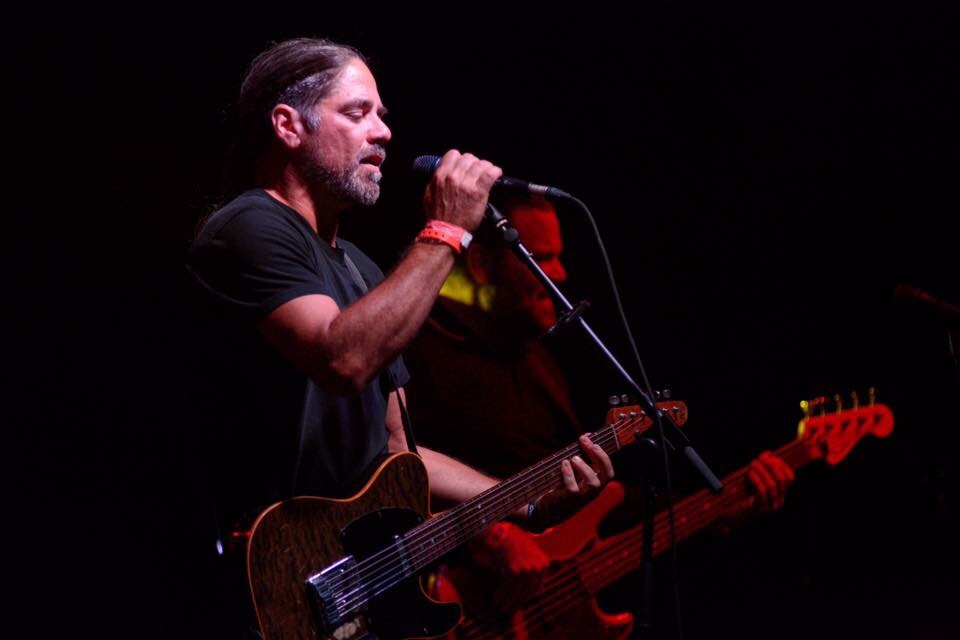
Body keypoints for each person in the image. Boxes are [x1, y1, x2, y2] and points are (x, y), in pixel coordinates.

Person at [184, 37, 613, 635]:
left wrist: (524, 499)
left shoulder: (361, 268)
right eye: (357, 112)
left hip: (343, 580)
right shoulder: (248, 227)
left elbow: (398, 454)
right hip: (264, 578)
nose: (383, 131)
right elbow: (343, 359)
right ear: (288, 125)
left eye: (382, 115)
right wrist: (446, 230)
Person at [403, 195, 795, 620]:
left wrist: (723, 507)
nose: (559, 274)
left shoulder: (537, 360)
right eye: (540, 258)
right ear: (481, 264)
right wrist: (488, 536)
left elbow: (599, 501)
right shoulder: (422, 351)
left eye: (558, 257)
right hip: (445, 602)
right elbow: (390, 472)